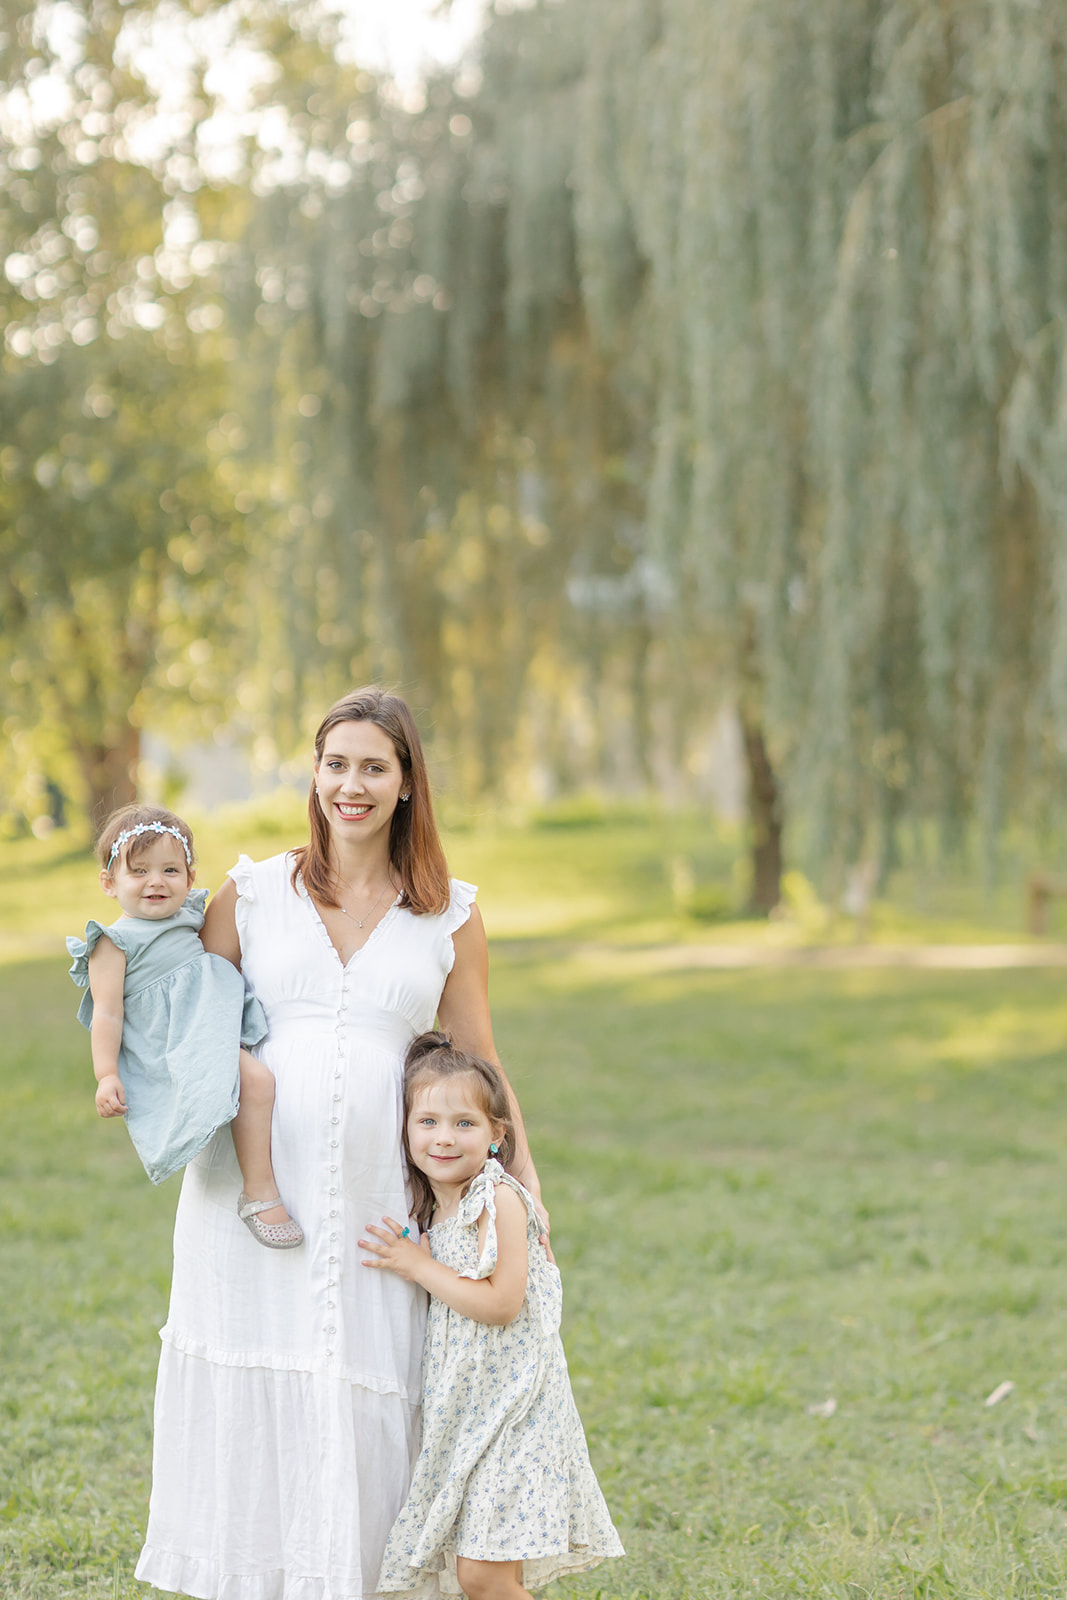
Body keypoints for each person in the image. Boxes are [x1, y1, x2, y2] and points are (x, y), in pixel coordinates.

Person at [135, 687, 543, 1600]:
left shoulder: (448, 914)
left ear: (406, 784)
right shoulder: (252, 892)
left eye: (373, 768)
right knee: (257, 1386)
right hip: (248, 1203)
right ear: (313, 775)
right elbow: (187, 1016)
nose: (350, 786)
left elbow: (478, 1058)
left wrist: (524, 1189)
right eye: (335, 764)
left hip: (375, 1210)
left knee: (370, 1386)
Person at [361, 1032, 623, 1600]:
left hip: (515, 1411)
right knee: (476, 1573)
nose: (444, 1138)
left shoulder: (496, 1199)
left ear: (496, 1136)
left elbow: (503, 1305)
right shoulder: (439, 1206)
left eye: (464, 1124)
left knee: (482, 1575)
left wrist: (418, 1267)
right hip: (469, 1414)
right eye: (427, 1122)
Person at [66, 804, 302, 1246]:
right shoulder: (113, 943)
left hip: (210, 1021)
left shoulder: (191, 914)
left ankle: (283, 1172)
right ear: (109, 882)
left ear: (190, 879)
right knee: (256, 1080)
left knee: (262, 1081)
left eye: (170, 870)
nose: (157, 881)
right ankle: (259, 1191)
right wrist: (106, 1075)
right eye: (139, 871)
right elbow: (107, 1012)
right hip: (176, 1037)